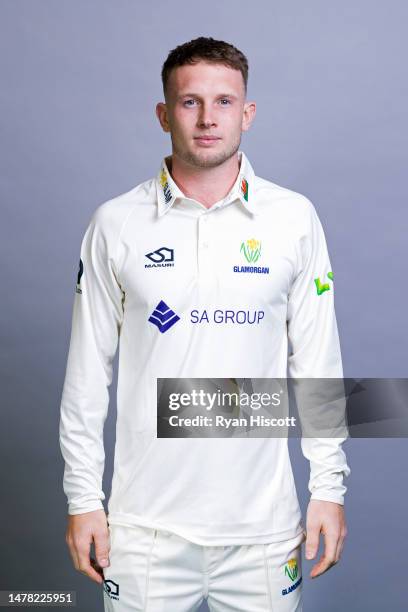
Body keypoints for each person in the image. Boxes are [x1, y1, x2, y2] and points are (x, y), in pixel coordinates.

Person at [59, 36, 350, 611]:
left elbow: (319, 362)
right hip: (143, 532)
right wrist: (82, 498)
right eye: (190, 102)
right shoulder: (116, 224)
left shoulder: (293, 219)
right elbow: (87, 376)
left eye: (224, 102)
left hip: (265, 531)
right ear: (164, 114)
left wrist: (328, 489)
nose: (207, 119)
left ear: (247, 114)